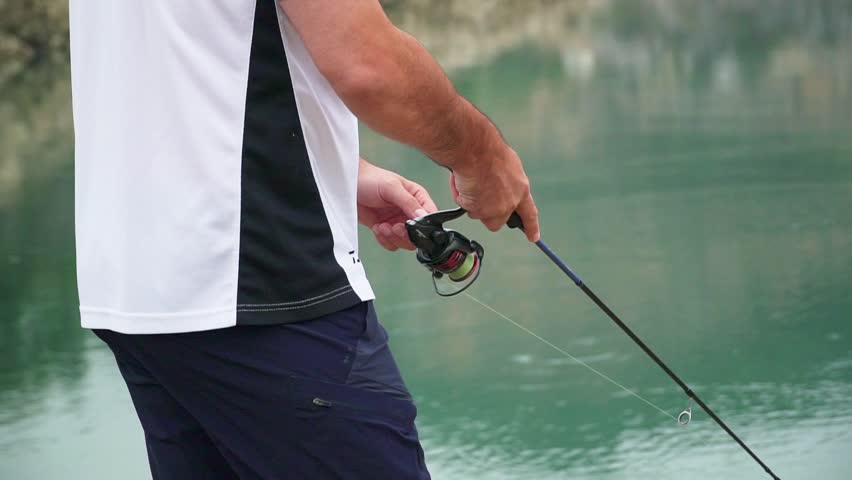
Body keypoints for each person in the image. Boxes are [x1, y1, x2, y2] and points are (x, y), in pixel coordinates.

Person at [69, 0, 540, 478]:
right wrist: (485, 157)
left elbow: (180, 49)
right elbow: (366, 63)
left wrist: (334, 171)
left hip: (136, 290)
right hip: (262, 286)